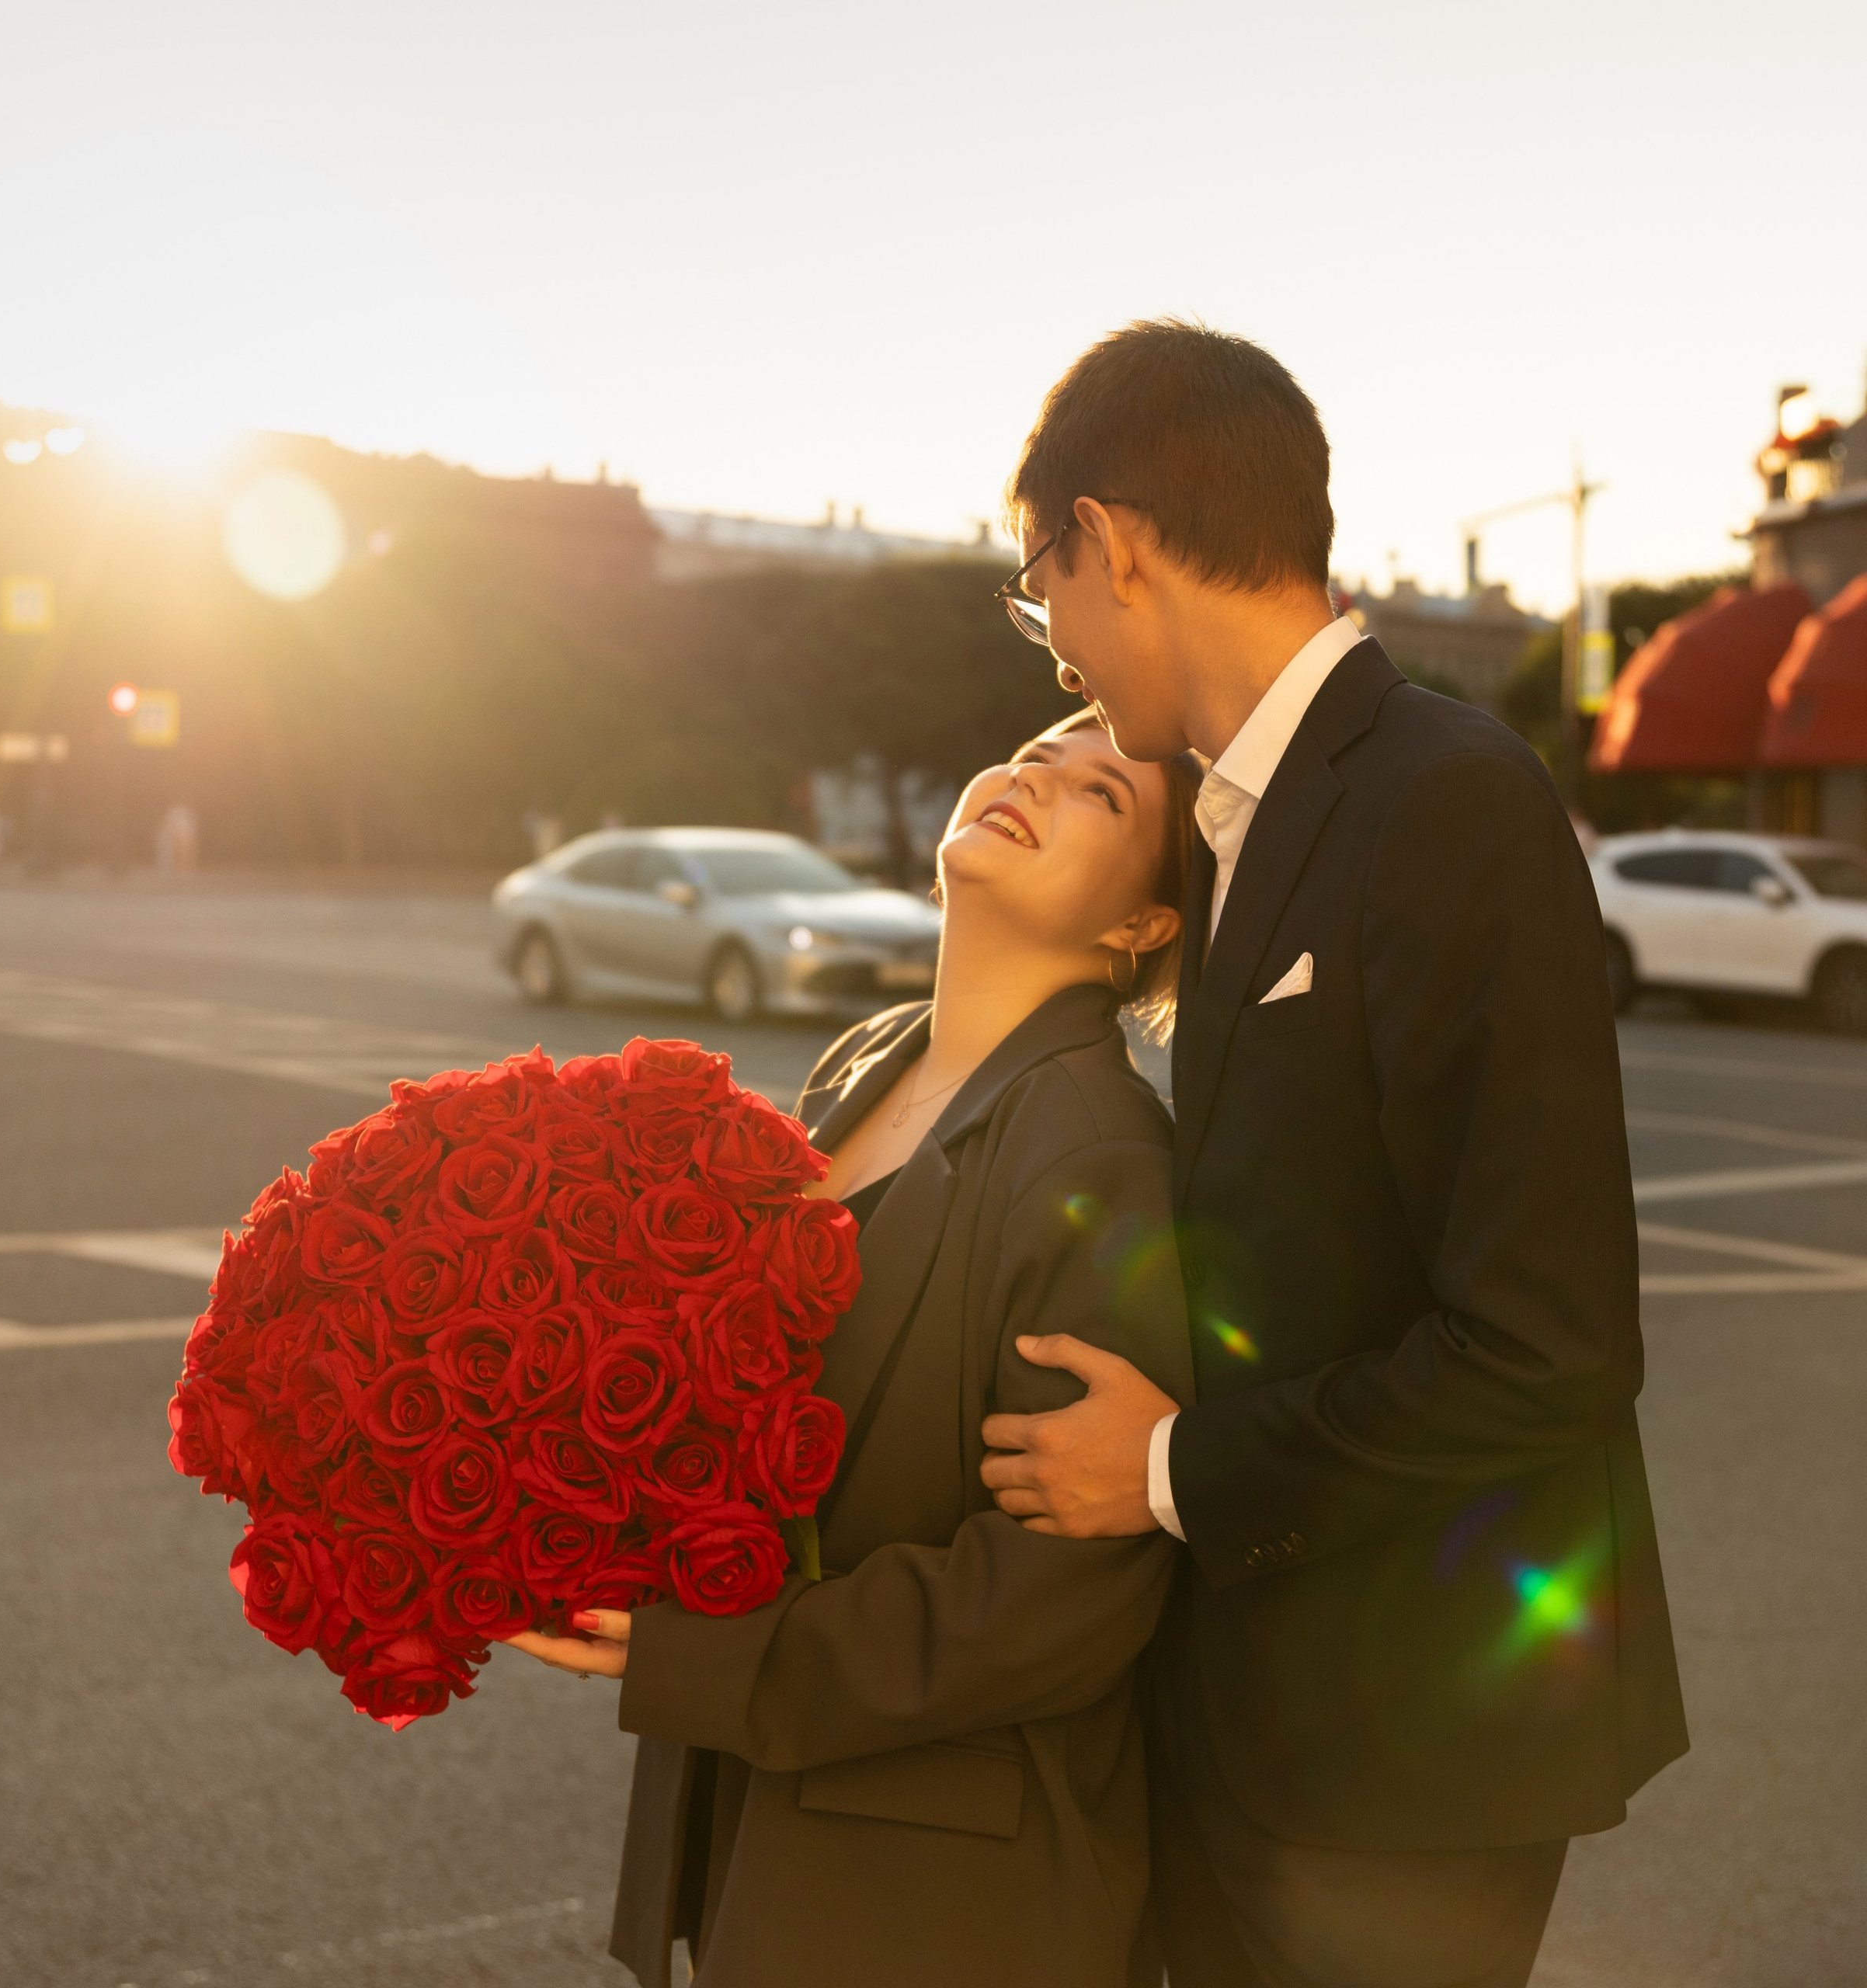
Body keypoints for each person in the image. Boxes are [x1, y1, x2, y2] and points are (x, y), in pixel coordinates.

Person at [976, 320, 1688, 1988]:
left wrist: (1170, 1471)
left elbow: (1547, 1347)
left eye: (1039, 585)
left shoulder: (1447, 794)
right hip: (1258, 1719)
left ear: (1112, 542)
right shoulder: (1233, 819)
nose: (1056, 653)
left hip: (1413, 1748)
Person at [506, 711, 1203, 1987]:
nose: (1034, 779)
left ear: (1142, 923)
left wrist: (726, 1659)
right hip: (777, 1813)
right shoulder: (870, 1059)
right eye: (1035, 755)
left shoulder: (1099, 1149)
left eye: (1100, 792)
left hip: (939, 1882)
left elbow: (1068, 1596)